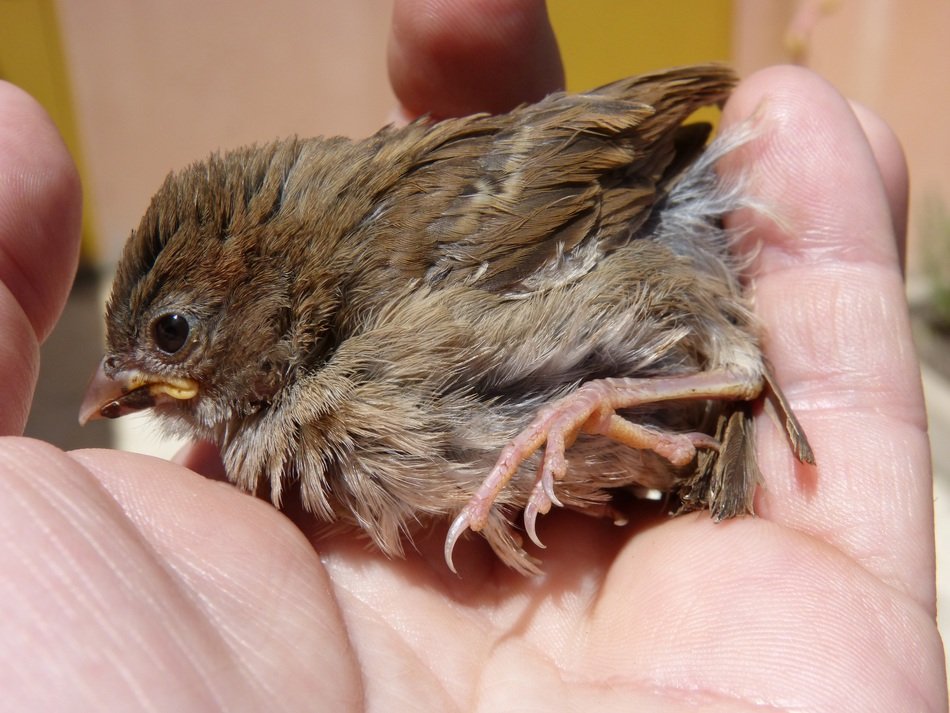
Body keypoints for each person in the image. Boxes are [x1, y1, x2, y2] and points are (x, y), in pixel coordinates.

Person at [0, 1, 944, 709]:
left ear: (267, 296)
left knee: (733, 376)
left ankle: (712, 376)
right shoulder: (318, 386)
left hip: (661, 242)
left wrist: (610, 392)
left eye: (172, 335)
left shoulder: (386, 298)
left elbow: (641, 167)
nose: (127, 380)